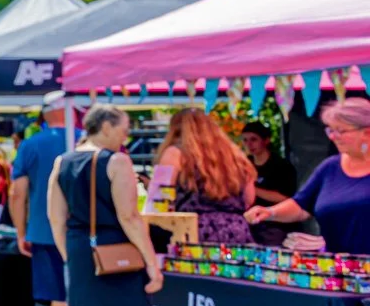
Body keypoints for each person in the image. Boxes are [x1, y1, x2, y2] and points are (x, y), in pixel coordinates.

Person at [48, 104, 161, 306]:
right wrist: (151, 263)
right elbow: (129, 217)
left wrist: (69, 255)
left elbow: (56, 218)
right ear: (107, 126)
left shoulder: (63, 162)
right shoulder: (118, 161)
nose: (127, 135)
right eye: (124, 128)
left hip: (81, 249)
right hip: (119, 252)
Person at [247, 97, 370, 254]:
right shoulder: (330, 167)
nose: (332, 136)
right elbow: (301, 206)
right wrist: (270, 213)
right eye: (330, 130)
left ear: (366, 132)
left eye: (341, 131)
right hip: (337, 269)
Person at [7, 107, 75, 306]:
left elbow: (17, 193)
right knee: (82, 298)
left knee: (59, 297)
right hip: (85, 233)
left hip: (44, 232)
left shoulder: (31, 145)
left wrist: (20, 232)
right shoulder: (88, 139)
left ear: (45, 116)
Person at [151, 108, 256, 243]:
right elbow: (249, 199)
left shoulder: (175, 153)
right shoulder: (236, 157)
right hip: (236, 231)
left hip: (195, 231)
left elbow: (159, 198)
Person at [241, 123, 299, 245]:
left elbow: (285, 198)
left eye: (253, 139)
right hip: (250, 223)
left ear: (266, 140)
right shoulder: (245, 164)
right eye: (245, 140)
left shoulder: (281, 166)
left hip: (277, 225)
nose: (249, 144)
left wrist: (252, 189)